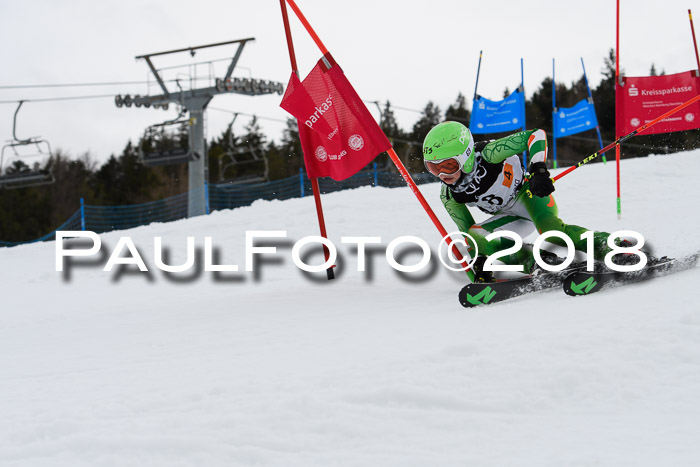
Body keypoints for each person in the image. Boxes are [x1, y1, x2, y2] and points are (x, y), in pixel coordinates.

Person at [422, 121, 618, 282]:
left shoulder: (490, 154)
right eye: (432, 168)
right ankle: (539, 262)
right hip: (508, 216)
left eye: (448, 165)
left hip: (529, 196)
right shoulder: (449, 195)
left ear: (465, 156)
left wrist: (539, 170)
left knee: (553, 233)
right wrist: (480, 259)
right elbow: (468, 232)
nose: (441, 175)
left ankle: (611, 247)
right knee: (477, 235)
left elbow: (536, 135)